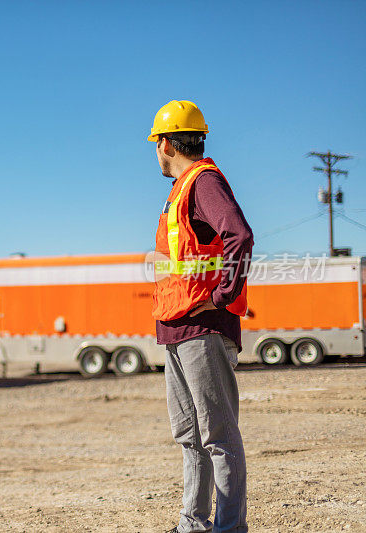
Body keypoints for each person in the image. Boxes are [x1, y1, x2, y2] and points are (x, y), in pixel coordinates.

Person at [147, 100, 252, 533]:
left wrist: (225, 295)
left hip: (203, 327)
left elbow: (239, 236)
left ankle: (229, 528)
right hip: (177, 327)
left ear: (167, 143)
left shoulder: (203, 182)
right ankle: (193, 524)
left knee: (219, 438)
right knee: (190, 437)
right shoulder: (182, 189)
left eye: (156, 143)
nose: (156, 151)